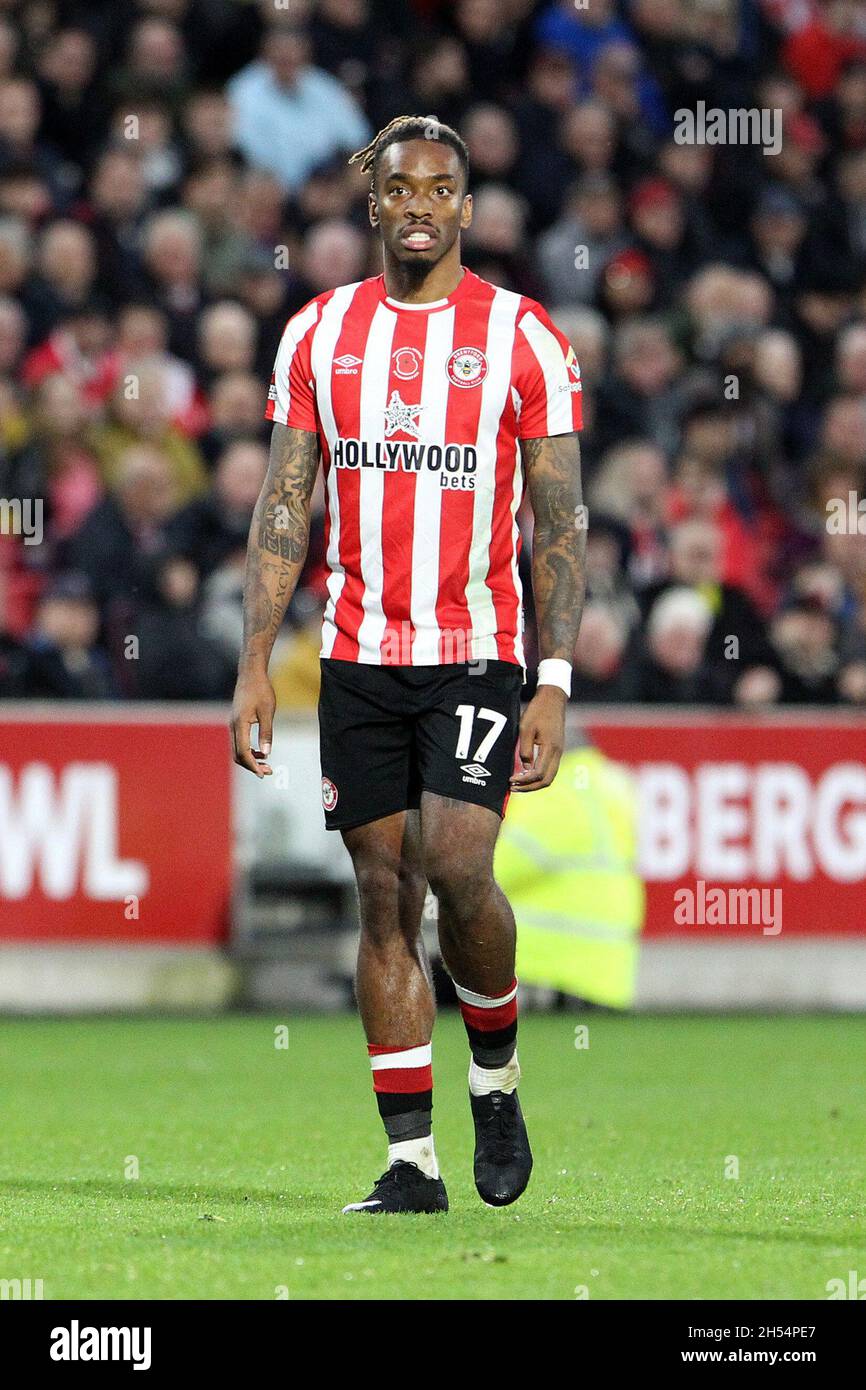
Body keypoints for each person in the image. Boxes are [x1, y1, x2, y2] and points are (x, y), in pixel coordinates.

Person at [231, 116, 586, 1215]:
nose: (421, 204)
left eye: (441, 187)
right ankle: (410, 1163)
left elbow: (559, 519)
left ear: (467, 209)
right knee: (381, 896)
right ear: (373, 205)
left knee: (458, 862)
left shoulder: (523, 337)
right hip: (354, 656)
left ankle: (495, 1075)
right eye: (400, 189)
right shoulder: (318, 333)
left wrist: (554, 676)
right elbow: (286, 501)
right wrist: (253, 660)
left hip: (474, 650)